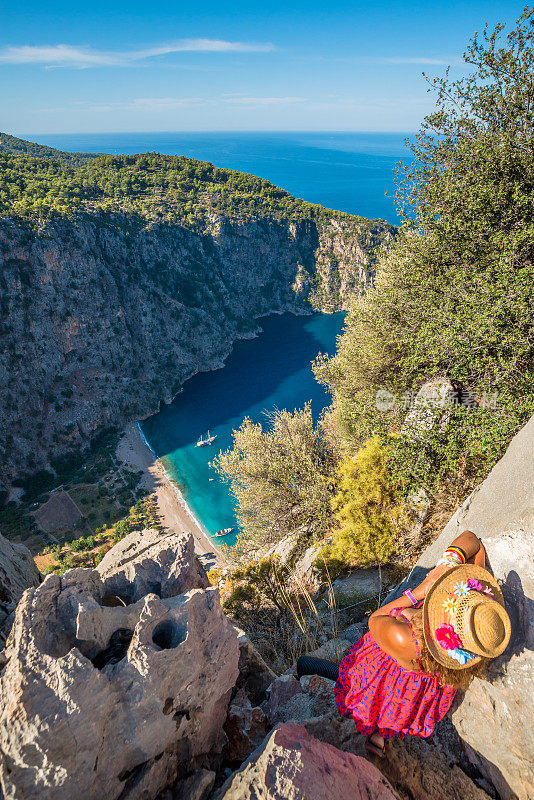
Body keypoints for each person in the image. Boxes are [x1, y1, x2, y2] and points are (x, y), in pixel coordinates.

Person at [333, 531, 511, 758]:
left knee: (376, 700)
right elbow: (473, 543)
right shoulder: (478, 632)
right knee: (398, 710)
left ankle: (376, 731)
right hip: (420, 686)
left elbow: (375, 620)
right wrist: (453, 563)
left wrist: (420, 590)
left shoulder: (405, 638)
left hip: (390, 668)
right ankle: (383, 736)